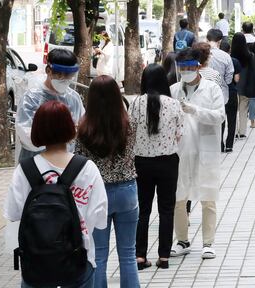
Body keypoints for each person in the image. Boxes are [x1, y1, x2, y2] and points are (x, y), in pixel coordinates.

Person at [4, 100, 108, 288]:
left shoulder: (25, 170)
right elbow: (100, 219)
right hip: (78, 260)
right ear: (70, 127)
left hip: (36, 263)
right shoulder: (87, 168)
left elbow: (13, 214)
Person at [75, 75, 140, 288]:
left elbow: (79, 163)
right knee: (128, 254)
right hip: (126, 190)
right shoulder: (129, 126)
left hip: (96, 194)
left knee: (99, 255)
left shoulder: (83, 130)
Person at [170, 48, 225, 259]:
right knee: (179, 197)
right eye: (182, 68)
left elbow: (219, 116)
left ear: (198, 66)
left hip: (206, 150)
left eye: (189, 67)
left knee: (208, 197)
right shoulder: (174, 90)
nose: (186, 71)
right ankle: (182, 240)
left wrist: (195, 110)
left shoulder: (212, 89)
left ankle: (208, 242)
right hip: (181, 151)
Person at [131, 64, 183, 270]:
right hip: (167, 162)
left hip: (141, 162)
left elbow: (130, 132)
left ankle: (140, 256)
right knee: (166, 210)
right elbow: (180, 133)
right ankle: (164, 257)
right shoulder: (173, 104)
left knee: (142, 210)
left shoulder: (135, 103)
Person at [16, 48, 84, 162]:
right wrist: (61, 139)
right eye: (60, 75)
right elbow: (26, 135)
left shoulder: (73, 98)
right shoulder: (31, 98)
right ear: (48, 70)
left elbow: (82, 125)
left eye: (69, 75)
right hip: (35, 164)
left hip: (65, 165)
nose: (65, 79)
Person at [231, 32, 255, 138]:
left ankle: (234, 131)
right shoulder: (250, 56)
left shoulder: (230, 57)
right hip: (246, 86)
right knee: (243, 110)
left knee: (234, 110)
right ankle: (242, 132)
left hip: (234, 87)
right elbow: (254, 72)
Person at [220, 41, 241, 153]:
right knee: (232, 120)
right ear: (229, 50)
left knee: (221, 120)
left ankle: (220, 145)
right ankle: (229, 146)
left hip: (220, 93)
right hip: (231, 91)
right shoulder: (234, 61)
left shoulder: (215, 60)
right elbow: (237, 79)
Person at [207, 28, 234, 105]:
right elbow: (229, 79)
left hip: (203, 94)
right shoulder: (226, 56)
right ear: (220, 41)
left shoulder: (200, 54)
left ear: (207, 39)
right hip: (221, 94)